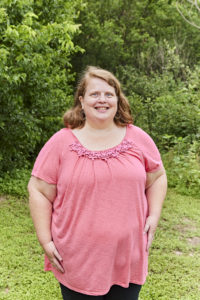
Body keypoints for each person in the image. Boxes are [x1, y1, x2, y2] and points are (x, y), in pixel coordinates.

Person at [28, 66, 167, 300]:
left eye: (108, 94)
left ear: (117, 100)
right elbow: (39, 190)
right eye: (94, 94)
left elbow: (157, 177)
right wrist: (45, 240)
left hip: (128, 256)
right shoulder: (61, 142)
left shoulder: (138, 138)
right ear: (81, 101)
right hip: (77, 260)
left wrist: (153, 217)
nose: (102, 99)